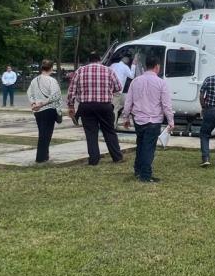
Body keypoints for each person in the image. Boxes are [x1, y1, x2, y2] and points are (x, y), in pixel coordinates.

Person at [120, 55, 174, 183]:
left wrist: (125, 117)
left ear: (145, 66)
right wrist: (171, 121)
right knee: (149, 148)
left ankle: (138, 169)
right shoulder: (161, 83)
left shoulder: (135, 81)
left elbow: (128, 102)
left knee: (141, 145)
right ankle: (145, 175)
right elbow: (166, 105)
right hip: (154, 120)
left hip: (138, 119)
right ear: (157, 67)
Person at [66, 52, 123, 166]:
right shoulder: (109, 71)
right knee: (109, 131)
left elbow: (71, 90)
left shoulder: (80, 71)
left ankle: (94, 160)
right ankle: (117, 157)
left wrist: (71, 105)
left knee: (91, 133)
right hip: (104, 106)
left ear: (89, 60)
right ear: (99, 59)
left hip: (86, 106)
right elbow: (118, 87)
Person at [26, 59, 62, 163]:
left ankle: (44, 155)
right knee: (46, 134)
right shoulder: (52, 80)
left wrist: (33, 104)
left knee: (42, 132)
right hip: (48, 109)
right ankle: (41, 157)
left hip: (37, 111)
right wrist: (43, 103)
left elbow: (29, 93)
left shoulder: (34, 80)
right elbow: (55, 96)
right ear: (51, 68)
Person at [110, 55, 135, 121]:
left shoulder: (113, 65)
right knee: (115, 108)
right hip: (117, 91)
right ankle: (112, 125)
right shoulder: (125, 67)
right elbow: (131, 76)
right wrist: (133, 65)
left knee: (108, 107)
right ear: (127, 63)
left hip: (108, 90)